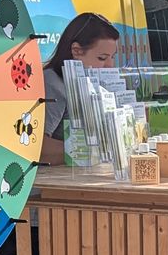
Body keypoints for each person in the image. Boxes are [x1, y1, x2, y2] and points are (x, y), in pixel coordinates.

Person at [41, 12, 120, 166]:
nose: (110, 65)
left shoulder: (95, 85)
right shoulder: (53, 83)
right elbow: (37, 146)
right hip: (59, 182)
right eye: (102, 58)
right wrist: (90, 150)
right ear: (76, 51)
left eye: (113, 56)